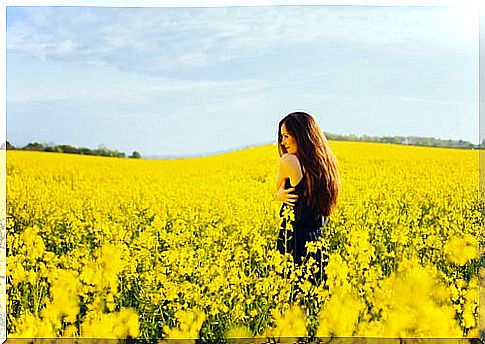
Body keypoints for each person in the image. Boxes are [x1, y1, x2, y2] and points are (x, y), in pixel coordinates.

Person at [275, 111, 340, 287]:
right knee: (314, 302)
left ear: (301, 136)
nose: (283, 142)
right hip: (316, 243)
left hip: (294, 241)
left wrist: (279, 195)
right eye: (282, 137)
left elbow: (275, 188)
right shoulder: (325, 166)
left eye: (287, 136)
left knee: (291, 308)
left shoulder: (289, 161)